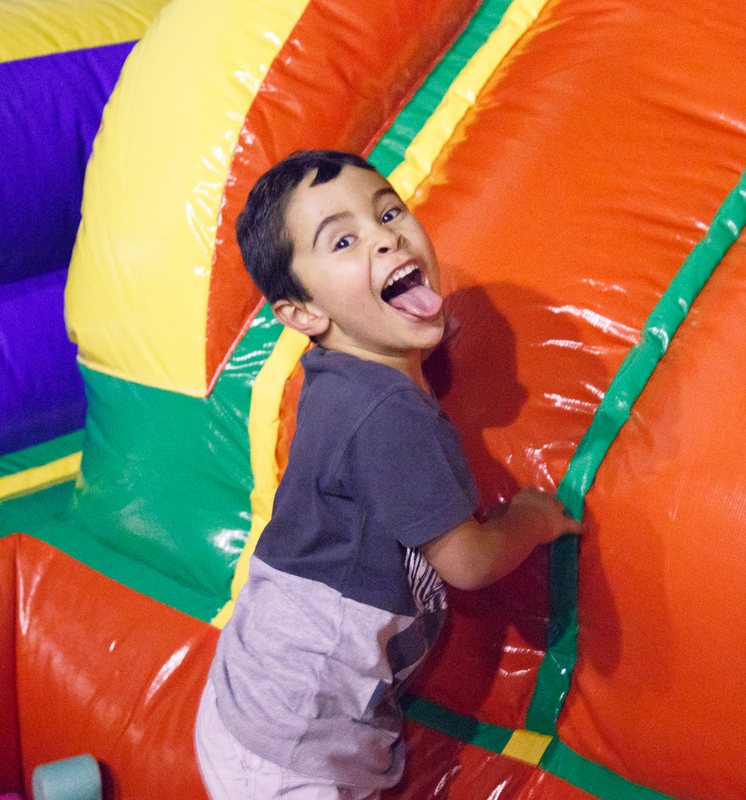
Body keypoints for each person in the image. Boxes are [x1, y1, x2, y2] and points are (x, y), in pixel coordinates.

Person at [195, 149, 573, 799]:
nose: (385, 236)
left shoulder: (342, 374)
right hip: (291, 751)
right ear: (305, 314)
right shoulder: (384, 412)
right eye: (343, 240)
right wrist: (529, 520)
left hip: (250, 701)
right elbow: (469, 563)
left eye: (388, 210)